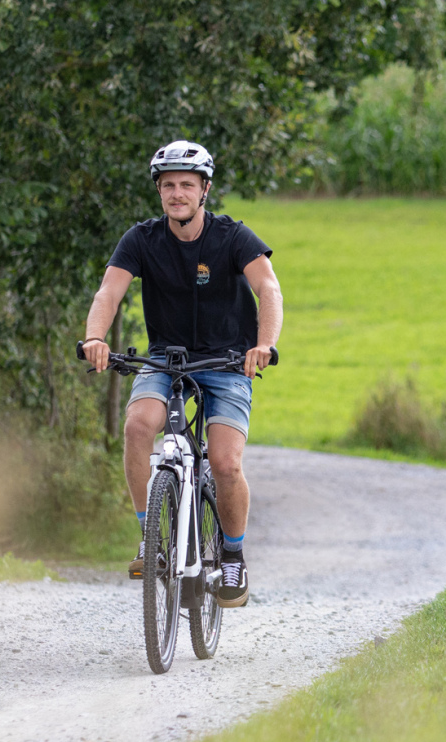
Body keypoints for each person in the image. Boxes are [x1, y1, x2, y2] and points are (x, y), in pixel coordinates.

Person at [81, 141, 283, 607]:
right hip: (164, 360)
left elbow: (268, 287)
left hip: (228, 361)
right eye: (168, 185)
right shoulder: (141, 239)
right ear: (159, 191)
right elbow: (108, 293)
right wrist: (95, 338)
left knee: (226, 462)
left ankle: (232, 555)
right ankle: (149, 537)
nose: (177, 193)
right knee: (137, 427)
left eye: (186, 185)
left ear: (204, 190)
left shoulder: (233, 237)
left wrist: (264, 345)